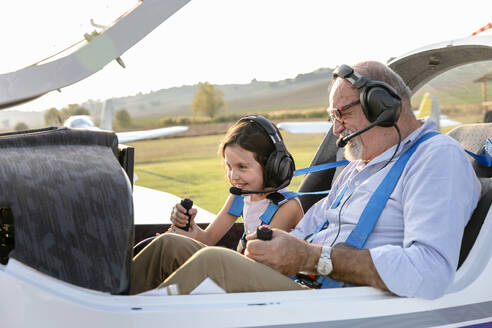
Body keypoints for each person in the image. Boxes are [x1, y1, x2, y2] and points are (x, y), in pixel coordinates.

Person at [130, 61, 481, 300]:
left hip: (340, 301)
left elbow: (430, 270)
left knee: (212, 264)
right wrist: (270, 249)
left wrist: (313, 258)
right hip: (305, 281)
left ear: (384, 107)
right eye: (332, 116)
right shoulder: (359, 168)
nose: (336, 128)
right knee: (168, 247)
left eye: (342, 113)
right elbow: (306, 231)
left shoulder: (436, 158)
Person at [167, 116, 304, 248]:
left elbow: (259, 257)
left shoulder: (287, 207)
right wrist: (189, 226)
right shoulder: (241, 196)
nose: (233, 176)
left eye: (242, 167)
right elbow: (207, 239)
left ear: (272, 166)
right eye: (229, 167)